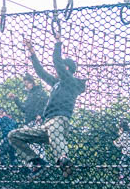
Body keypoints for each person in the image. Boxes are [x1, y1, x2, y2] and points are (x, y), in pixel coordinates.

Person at [7, 36, 86, 177]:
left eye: (61, 67)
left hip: (60, 121)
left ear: (66, 68)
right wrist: (31, 51)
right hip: (45, 125)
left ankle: (63, 160)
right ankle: (36, 162)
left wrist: (58, 43)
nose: (56, 70)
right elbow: (40, 72)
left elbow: (57, 62)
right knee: (14, 135)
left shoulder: (70, 82)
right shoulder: (57, 83)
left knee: (54, 128)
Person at [113, 120, 130, 185]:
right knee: (129, 166)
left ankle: (122, 179)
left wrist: (114, 142)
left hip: (126, 153)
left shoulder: (123, 135)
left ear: (122, 128)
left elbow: (119, 145)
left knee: (121, 165)